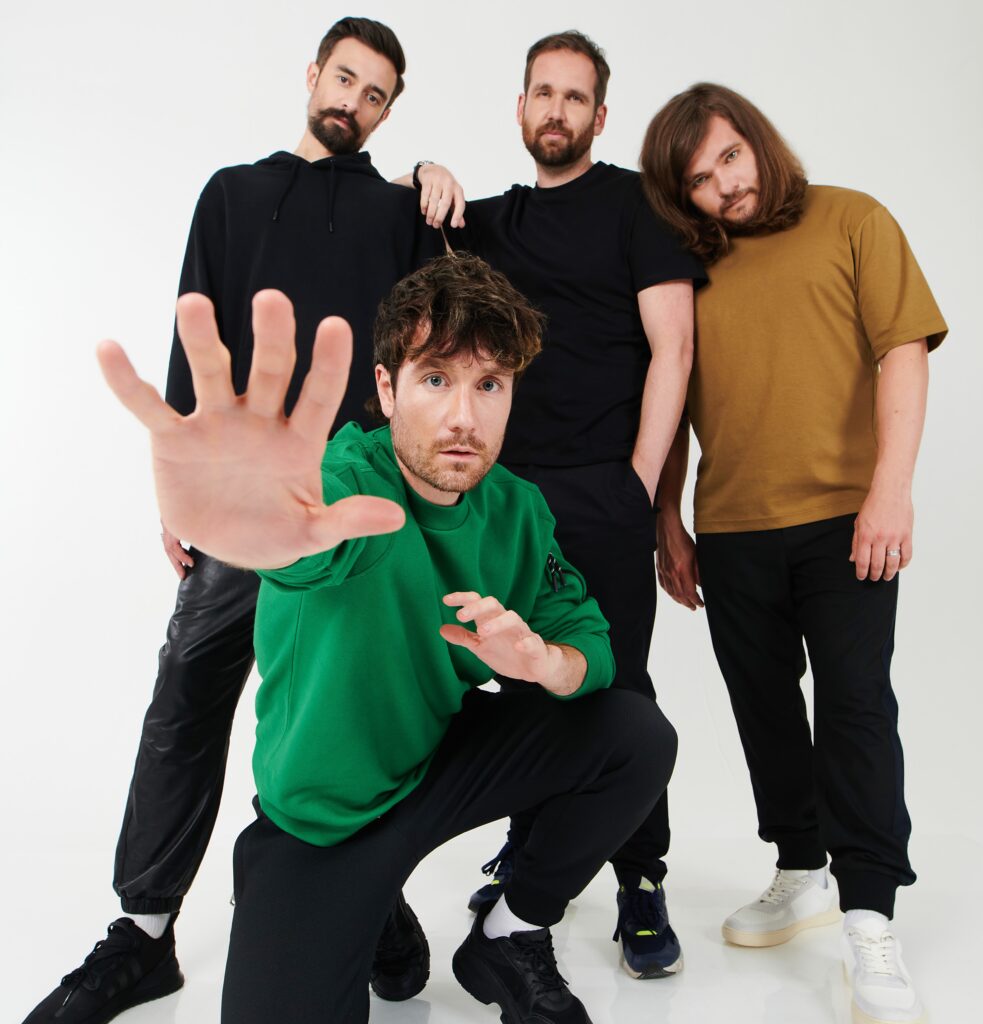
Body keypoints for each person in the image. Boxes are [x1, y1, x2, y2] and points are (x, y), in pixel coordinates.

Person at [94, 254, 678, 1023]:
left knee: (634, 733)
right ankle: (373, 914)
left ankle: (509, 932)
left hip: (438, 759)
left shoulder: (517, 509)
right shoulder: (346, 484)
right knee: (373, 986)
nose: (464, 416)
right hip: (325, 817)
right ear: (387, 388)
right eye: (436, 378)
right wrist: (259, 531)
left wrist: (547, 662)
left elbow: (588, 638)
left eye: (489, 384)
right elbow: (310, 543)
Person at [20, 16, 463, 1024]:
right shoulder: (230, 192)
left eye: (376, 94)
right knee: (187, 691)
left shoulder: (402, 210)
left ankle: (369, 898)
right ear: (312, 74)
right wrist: (173, 488)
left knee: (339, 718)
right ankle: (142, 933)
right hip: (234, 496)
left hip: (343, 502)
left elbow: (443, 337)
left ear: (389, 112)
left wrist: (439, 191)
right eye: (344, 77)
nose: (353, 101)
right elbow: (195, 340)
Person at [641, 83, 947, 1024]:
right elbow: (671, 385)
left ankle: (869, 914)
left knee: (855, 708)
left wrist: (891, 490)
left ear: (758, 141)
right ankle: (801, 868)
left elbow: (904, 352)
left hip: (846, 520)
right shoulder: (691, 266)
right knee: (764, 709)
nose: (724, 187)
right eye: (699, 180)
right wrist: (668, 519)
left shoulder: (854, 219)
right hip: (733, 527)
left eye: (730, 158)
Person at [447, 30, 705, 980]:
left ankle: (642, 879)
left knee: (618, 687)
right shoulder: (490, 221)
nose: (556, 110)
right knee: (525, 682)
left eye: (574, 97)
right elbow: (404, 218)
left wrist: (639, 483)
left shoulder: (639, 206)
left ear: (600, 117)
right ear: (520, 108)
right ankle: (533, 866)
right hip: (507, 498)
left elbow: (674, 349)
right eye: (542, 93)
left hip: (602, 490)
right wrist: (426, 175)